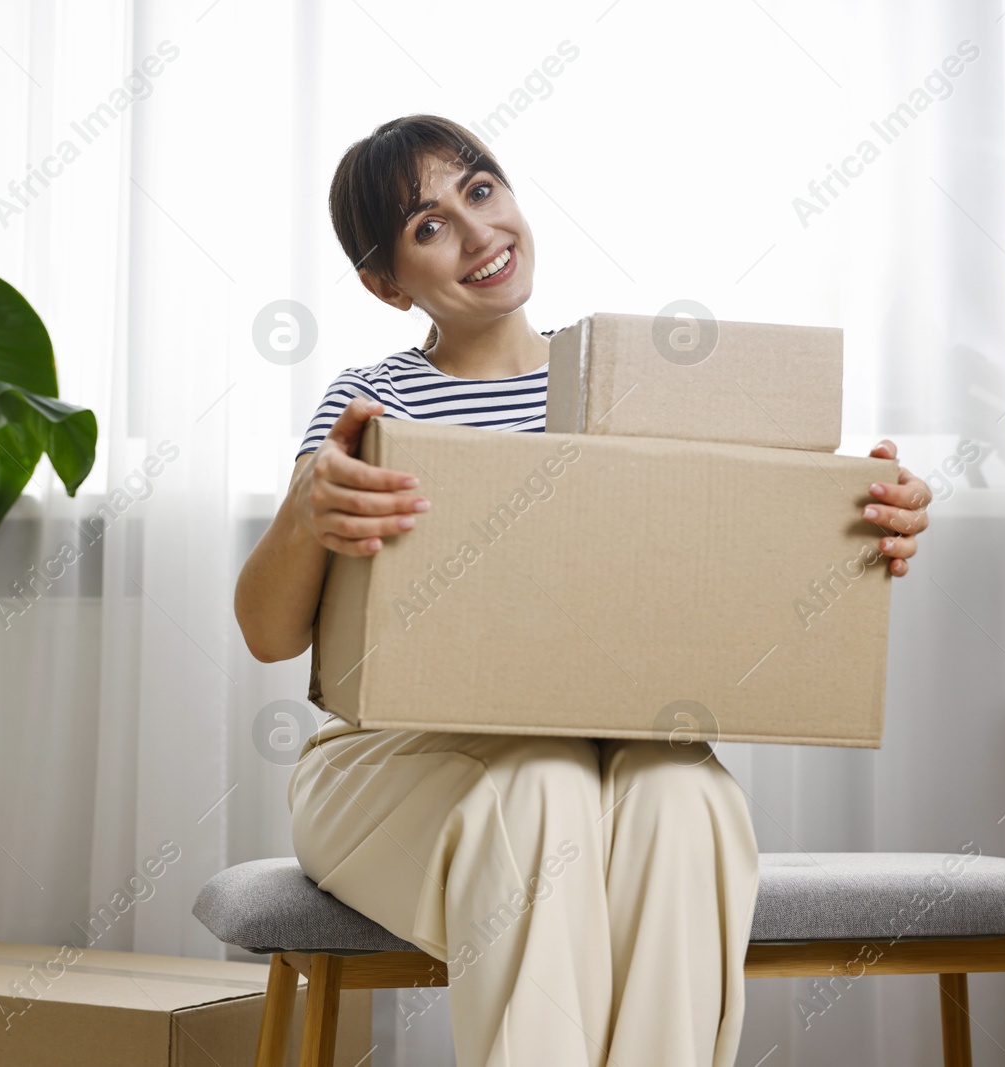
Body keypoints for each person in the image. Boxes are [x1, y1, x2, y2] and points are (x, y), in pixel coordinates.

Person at [233, 114, 932, 1067]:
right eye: (428, 226)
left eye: (482, 192)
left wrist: (860, 514)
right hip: (395, 758)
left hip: (623, 740)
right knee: (538, 785)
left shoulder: (631, 382)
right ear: (385, 283)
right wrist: (305, 509)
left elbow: (743, 542)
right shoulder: (372, 404)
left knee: (684, 801)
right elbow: (269, 635)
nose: (478, 233)